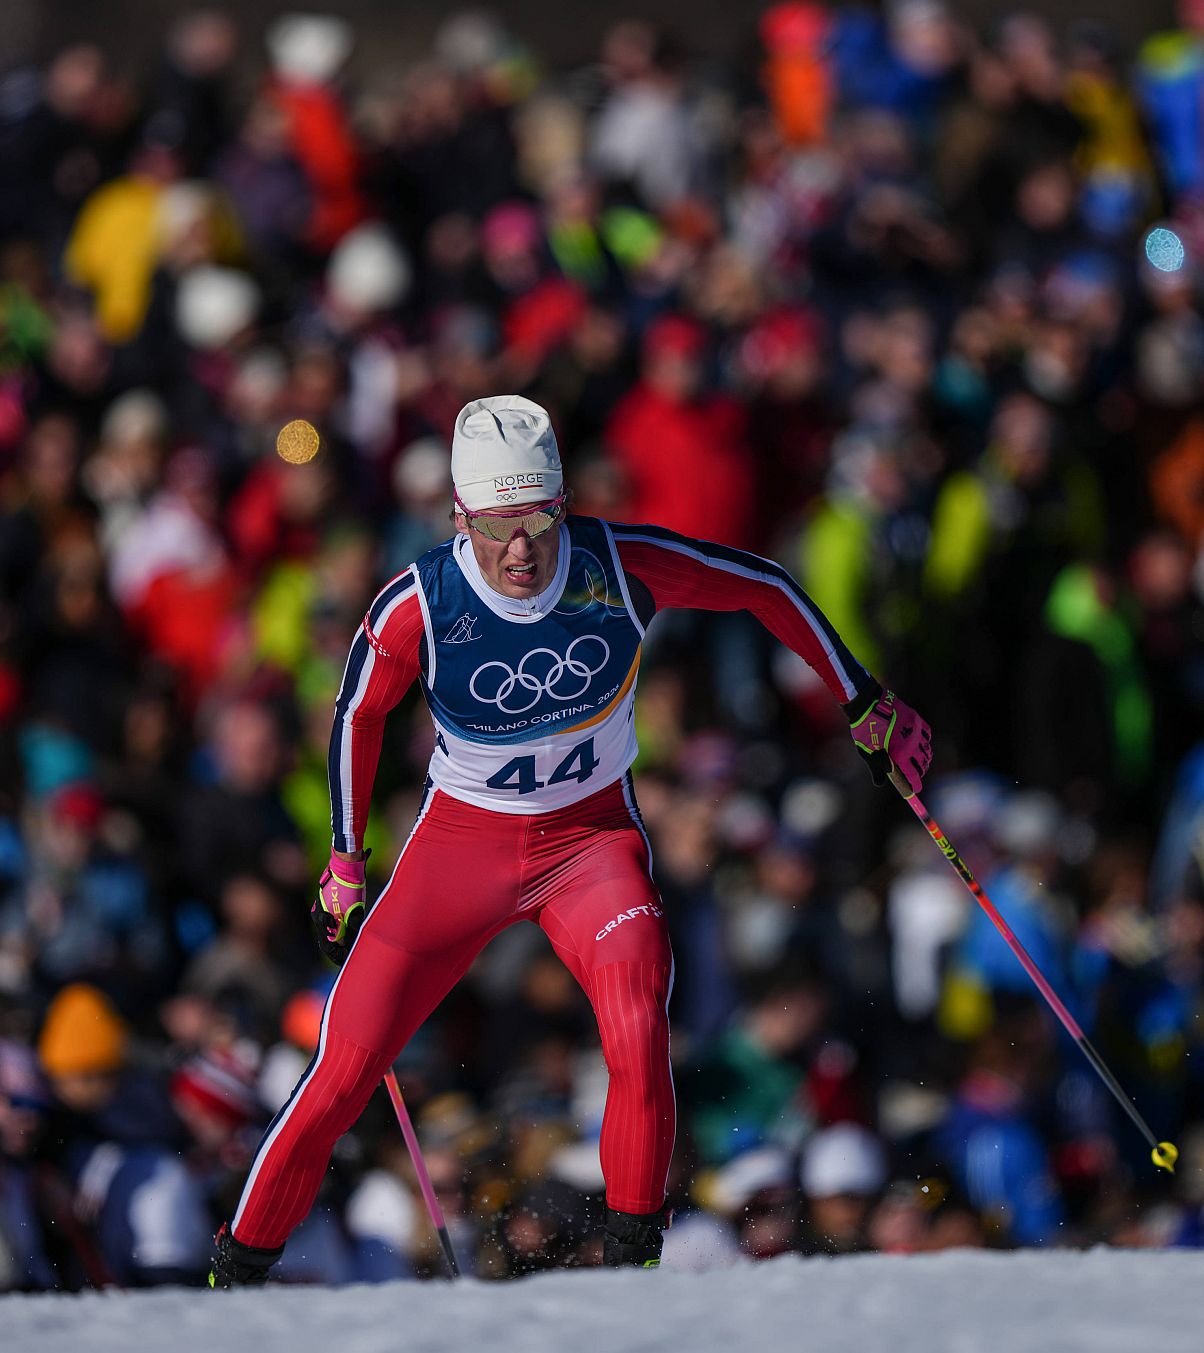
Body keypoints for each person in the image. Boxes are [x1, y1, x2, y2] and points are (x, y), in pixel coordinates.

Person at [209, 394, 931, 1284]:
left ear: (566, 503)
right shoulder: (420, 604)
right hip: (460, 852)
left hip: (588, 844)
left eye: (541, 519)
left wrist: (861, 698)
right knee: (342, 1070)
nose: (522, 548)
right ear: (461, 517)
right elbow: (357, 712)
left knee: (636, 1021)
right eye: (499, 526)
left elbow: (764, 586)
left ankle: (632, 1269)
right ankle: (231, 1281)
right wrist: (345, 864)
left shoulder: (618, 564)